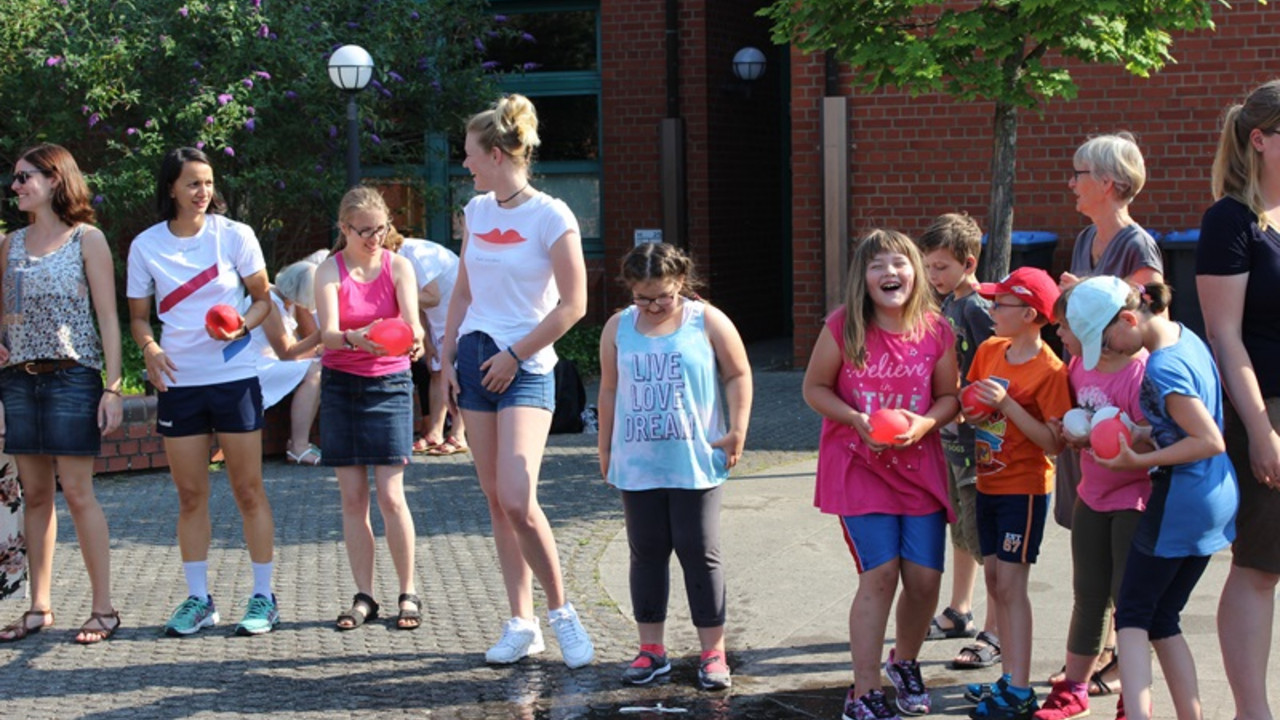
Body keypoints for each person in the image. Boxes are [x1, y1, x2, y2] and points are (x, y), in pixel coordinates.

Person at [441, 93, 595, 668]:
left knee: (518, 497)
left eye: (470, 155)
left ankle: (562, 613)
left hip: (527, 366)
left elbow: (574, 304)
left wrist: (514, 353)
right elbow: (462, 289)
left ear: (501, 154)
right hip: (475, 360)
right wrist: (447, 359)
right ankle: (520, 623)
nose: (465, 165)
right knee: (495, 502)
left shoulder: (552, 215)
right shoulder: (477, 211)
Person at [802, 229, 960, 720]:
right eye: (877, 266)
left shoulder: (936, 329)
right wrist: (855, 419)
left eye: (899, 263)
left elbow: (950, 397)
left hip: (919, 470)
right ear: (863, 278)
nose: (889, 273)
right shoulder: (843, 326)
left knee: (925, 580)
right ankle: (864, 692)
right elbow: (815, 388)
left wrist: (926, 422)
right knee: (881, 574)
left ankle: (905, 664)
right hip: (858, 468)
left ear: (915, 272)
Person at [127, 146, 279, 637]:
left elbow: (262, 300)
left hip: (234, 378)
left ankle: (264, 596)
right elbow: (137, 318)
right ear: (171, 187)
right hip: (180, 383)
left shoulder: (235, 235)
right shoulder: (145, 245)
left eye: (209, 183)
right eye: (193, 183)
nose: (203, 192)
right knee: (190, 495)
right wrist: (149, 349)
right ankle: (199, 600)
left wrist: (241, 330)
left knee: (247, 489)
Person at [1074, 278, 1237, 720]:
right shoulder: (1188, 338)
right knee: (1164, 617)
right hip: (1212, 499)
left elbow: (1208, 440)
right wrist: (1147, 432)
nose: (1108, 352)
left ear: (1129, 318)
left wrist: (1134, 461)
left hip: (1181, 498)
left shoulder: (1160, 367)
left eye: (1106, 341)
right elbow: (1188, 422)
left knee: (1131, 613)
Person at [599, 242, 752, 691]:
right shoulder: (618, 326)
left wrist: (738, 429)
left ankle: (713, 652)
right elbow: (609, 389)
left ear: (681, 282)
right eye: (642, 298)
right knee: (645, 553)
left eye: (661, 296)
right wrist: (604, 448)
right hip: (638, 462)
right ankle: (652, 650)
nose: (652, 306)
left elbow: (739, 373)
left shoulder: (707, 320)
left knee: (699, 552)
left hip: (694, 461)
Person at [1052, 133, 1164, 694]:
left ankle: (1121, 661)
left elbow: (1135, 319)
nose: (1070, 183)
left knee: (1122, 565)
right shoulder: (1084, 239)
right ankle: (1096, 657)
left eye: (1078, 173)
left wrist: (1082, 295)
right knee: (1089, 549)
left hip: (1122, 410)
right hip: (1088, 398)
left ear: (1109, 183)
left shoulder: (1138, 246)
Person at [0, 144, 123, 643]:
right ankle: (39, 607)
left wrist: (113, 386)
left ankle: (104, 609)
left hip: (73, 376)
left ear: (55, 180)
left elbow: (108, 317)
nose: (15, 187)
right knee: (34, 496)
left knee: (77, 492)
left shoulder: (87, 239)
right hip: (17, 378)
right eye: (14, 178)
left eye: (25, 177)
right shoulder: (8, 244)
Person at [1196, 79, 1280, 720]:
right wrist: (1259, 428)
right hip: (1267, 406)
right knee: (1260, 564)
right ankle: (1254, 711)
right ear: (1261, 138)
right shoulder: (1231, 219)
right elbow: (1225, 336)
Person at [1034, 279, 1152, 720]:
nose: (1062, 336)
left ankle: (1133, 696)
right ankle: (1075, 688)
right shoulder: (1079, 367)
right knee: (1088, 595)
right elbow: (1070, 422)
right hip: (1092, 496)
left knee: (1129, 600)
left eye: (1066, 328)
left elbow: (1152, 441)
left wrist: (1117, 440)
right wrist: (1072, 432)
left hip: (1134, 500)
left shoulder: (1141, 373)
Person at [962, 267, 1072, 720]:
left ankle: (1022, 689)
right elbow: (969, 403)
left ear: (1029, 314)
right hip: (987, 482)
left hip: (1024, 489)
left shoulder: (1050, 371)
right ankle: (1010, 677)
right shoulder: (989, 350)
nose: (991, 310)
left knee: (1011, 585)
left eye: (1000, 303)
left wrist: (1006, 405)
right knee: (993, 581)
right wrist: (970, 407)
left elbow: (1055, 443)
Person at [314, 187, 425, 631]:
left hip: (390, 383)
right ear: (344, 228)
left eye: (381, 228)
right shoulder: (329, 269)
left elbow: (414, 322)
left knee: (391, 496)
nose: (375, 238)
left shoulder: (399, 266)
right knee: (353, 499)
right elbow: (327, 333)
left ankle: (408, 591)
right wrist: (354, 338)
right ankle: (364, 596)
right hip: (341, 385)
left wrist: (412, 337)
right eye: (364, 231)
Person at [916, 214, 1002, 672]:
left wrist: (976, 405)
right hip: (951, 439)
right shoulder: (948, 304)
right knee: (961, 530)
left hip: (976, 443)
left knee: (981, 535)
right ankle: (960, 609)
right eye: (928, 268)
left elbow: (998, 365)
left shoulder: (976, 309)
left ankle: (996, 626)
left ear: (968, 263)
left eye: (941, 267)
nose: (933, 277)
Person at [392, 229, 466, 456]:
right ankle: (434, 433)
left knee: (461, 374)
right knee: (436, 372)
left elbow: (430, 296)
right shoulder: (398, 259)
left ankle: (459, 434)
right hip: (437, 320)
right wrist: (426, 338)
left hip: (462, 315)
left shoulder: (416, 253)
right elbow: (417, 306)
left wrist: (394, 294)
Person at [266, 256, 324, 465]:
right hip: (253, 365)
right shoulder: (269, 302)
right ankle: (298, 445)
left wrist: (318, 348)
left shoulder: (285, 302)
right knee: (314, 371)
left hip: (269, 360)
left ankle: (301, 444)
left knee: (318, 367)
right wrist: (320, 338)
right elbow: (287, 353)